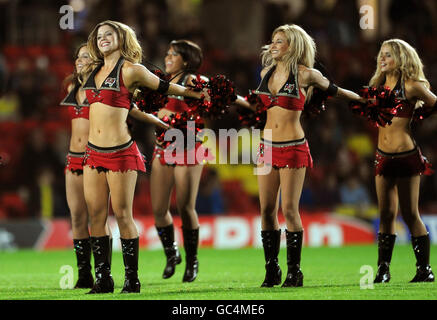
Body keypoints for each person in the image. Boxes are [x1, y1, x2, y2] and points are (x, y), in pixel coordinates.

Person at [82, 21, 205, 294]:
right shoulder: (92, 70)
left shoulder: (131, 69)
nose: (102, 39)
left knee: (123, 215)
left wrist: (189, 93)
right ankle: (103, 279)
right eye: (99, 36)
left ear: (122, 38)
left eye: (109, 35)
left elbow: (163, 86)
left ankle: (132, 279)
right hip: (92, 152)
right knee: (96, 216)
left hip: (120, 153)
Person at [236, 24, 362, 287]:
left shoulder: (306, 75)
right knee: (267, 210)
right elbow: (256, 108)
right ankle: (272, 270)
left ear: (292, 45)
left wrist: (363, 101)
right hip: (266, 147)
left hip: (293, 147)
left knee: (289, 210)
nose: (273, 45)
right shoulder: (264, 72)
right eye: (272, 40)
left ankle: (295, 272)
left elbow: (336, 91)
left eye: (279, 41)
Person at [368, 39, 436, 283]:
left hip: (407, 156)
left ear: (401, 58)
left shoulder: (412, 85)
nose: (382, 59)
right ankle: (383, 270)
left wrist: (421, 117)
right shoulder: (376, 85)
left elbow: (434, 103)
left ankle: (424, 269)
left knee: (409, 213)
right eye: (381, 55)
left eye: (388, 55)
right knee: (386, 213)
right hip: (382, 157)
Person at [151, 40, 212, 282]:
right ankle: (171, 252)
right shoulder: (161, 82)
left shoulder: (194, 81)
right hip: (162, 148)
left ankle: (192, 260)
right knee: (158, 210)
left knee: (185, 207)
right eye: (167, 53)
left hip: (189, 148)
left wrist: (172, 115)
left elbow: (207, 107)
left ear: (186, 60)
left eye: (173, 54)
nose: (167, 57)